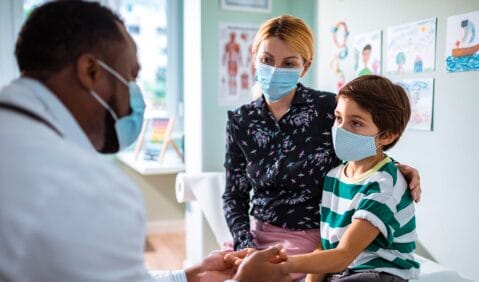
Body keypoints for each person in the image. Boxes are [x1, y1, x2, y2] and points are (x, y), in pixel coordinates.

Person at [0, 1, 290, 282]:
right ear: (91, 72)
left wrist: (187, 276)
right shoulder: (90, 192)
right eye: (131, 76)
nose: (136, 95)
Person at [222, 15, 421, 280]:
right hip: (258, 234)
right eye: (267, 60)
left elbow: (364, 146)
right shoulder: (241, 121)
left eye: (289, 63)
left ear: (305, 67)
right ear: (254, 56)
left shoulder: (329, 109)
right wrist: (245, 245)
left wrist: (399, 169)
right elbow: (233, 196)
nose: (275, 70)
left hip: (316, 236)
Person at [286, 75, 420, 281]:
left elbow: (344, 254)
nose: (341, 129)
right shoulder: (333, 177)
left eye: (356, 123)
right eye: (339, 118)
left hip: (380, 274)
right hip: (344, 272)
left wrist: (283, 265)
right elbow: (327, 246)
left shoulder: (384, 185)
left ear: (387, 136)